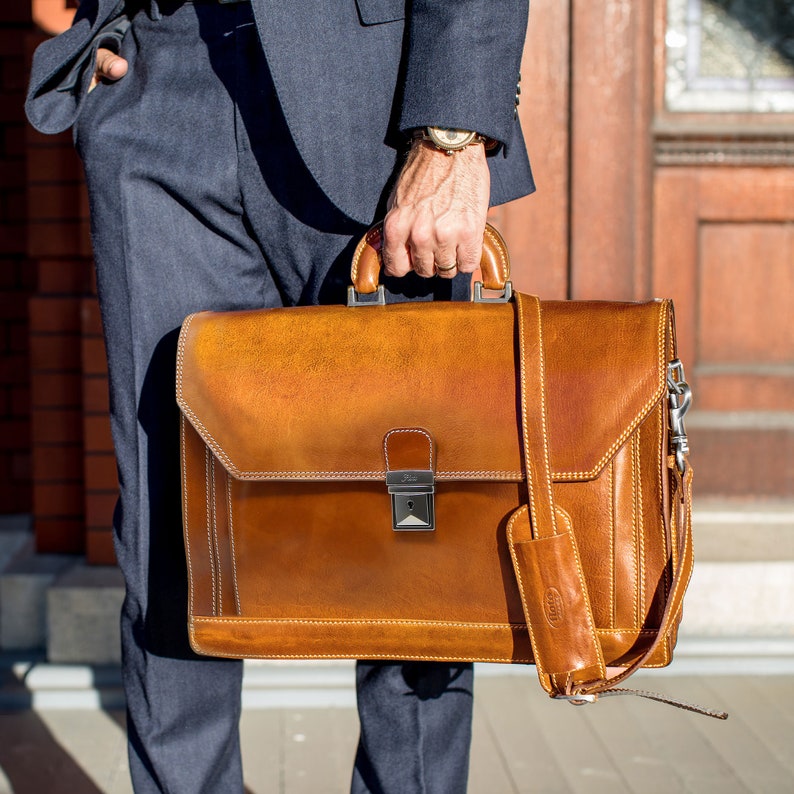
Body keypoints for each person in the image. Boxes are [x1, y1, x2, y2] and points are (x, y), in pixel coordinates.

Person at [26, 1, 534, 791]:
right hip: (158, 82)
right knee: (173, 522)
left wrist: (454, 131)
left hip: (375, 100)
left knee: (413, 522)